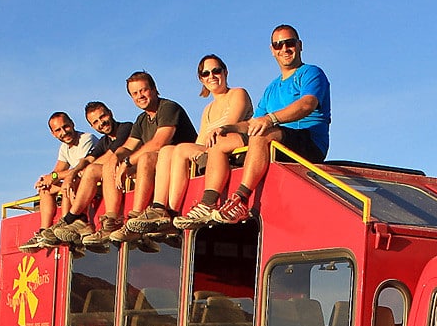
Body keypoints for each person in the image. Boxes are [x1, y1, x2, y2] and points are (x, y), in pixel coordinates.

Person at [174, 25, 330, 228]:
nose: (284, 48)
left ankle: (240, 199)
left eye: (289, 43)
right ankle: (208, 204)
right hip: (278, 137)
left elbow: (307, 104)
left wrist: (271, 119)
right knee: (220, 143)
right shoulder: (272, 87)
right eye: (278, 44)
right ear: (272, 50)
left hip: (308, 142)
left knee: (261, 134)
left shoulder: (311, 73)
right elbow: (252, 123)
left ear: (299, 45)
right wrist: (227, 129)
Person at [130, 55, 252, 235]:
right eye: (206, 73)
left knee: (179, 149)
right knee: (169, 150)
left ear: (225, 72)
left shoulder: (238, 93)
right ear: (201, 79)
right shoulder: (208, 109)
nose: (212, 76)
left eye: (216, 71)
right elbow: (200, 142)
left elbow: (229, 126)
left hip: (233, 152)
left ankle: (172, 211)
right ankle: (163, 210)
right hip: (211, 153)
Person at [97, 72, 197, 244]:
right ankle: (111, 220)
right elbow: (129, 146)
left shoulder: (168, 107)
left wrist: (127, 162)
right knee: (109, 165)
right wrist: (116, 159)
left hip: (182, 164)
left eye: (143, 90)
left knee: (145, 158)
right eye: (135, 93)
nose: (140, 96)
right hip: (160, 168)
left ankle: (136, 218)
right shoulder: (142, 119)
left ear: (154, 90)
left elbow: (159, 143)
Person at [52, 102, 133, 246]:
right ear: (92, 126)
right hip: (114, 179)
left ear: (110, 112)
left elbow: (111, 155)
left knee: (92, 169)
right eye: (96, 122)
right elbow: (88, 159)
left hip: (131, 174)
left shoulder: (126, 128)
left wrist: (80, 171)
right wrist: (73, 174)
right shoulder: (103, 141)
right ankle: (71, 222)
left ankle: (74, 219)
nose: (101, 123)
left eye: (103, 117)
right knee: (84, 172)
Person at [22, 112, 97, 250]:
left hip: (93, 185)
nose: (64, 132)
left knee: (69, 183)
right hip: (77, 184)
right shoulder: (64, 148)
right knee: (46, 189)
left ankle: (68, 223)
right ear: (53, 134)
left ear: (72, 124)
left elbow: (81, 169)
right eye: (58, 130)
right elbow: (57, 172)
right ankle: (44, 232)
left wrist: (54, 177)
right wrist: (45, 180)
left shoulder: (87, 139)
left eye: (66, 127)